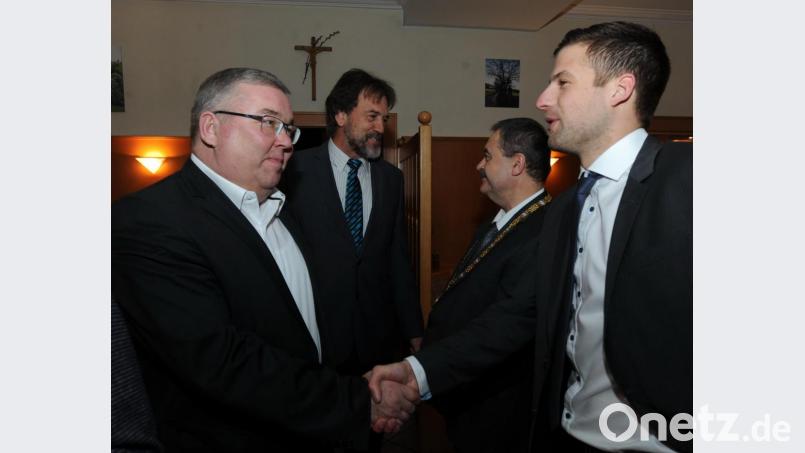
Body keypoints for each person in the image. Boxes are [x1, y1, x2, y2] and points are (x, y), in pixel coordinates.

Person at [368, 21, 692, 453]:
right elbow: (519, 317)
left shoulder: (690, 179)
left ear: (619, 88)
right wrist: (417, 372)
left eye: (562, 82)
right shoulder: (562, 211)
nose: (542, 99)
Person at [112, 67, 417, 452]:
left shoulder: (280, 207)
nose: (286, 141)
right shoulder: (149, 222)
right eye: (268, 123)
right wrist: (358, 401)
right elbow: (224, 364)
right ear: (211, 128)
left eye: (288, 128)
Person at [281, 68, 423, 375]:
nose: (380, 127)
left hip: (380, 341)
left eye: (384, 119)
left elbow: (397, 258)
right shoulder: (293, 172)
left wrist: (414, 330)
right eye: (371, 116)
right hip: (317, 339)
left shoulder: (392, 180)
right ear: (341, 115)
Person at [424, 118, 552, 453]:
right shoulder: (492, 224)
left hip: (498, 406)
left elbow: (507, 325)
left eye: (487, 155)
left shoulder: (545, 232)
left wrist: (421, 373)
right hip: (467, 393)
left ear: (517, 164)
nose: (478, 164)